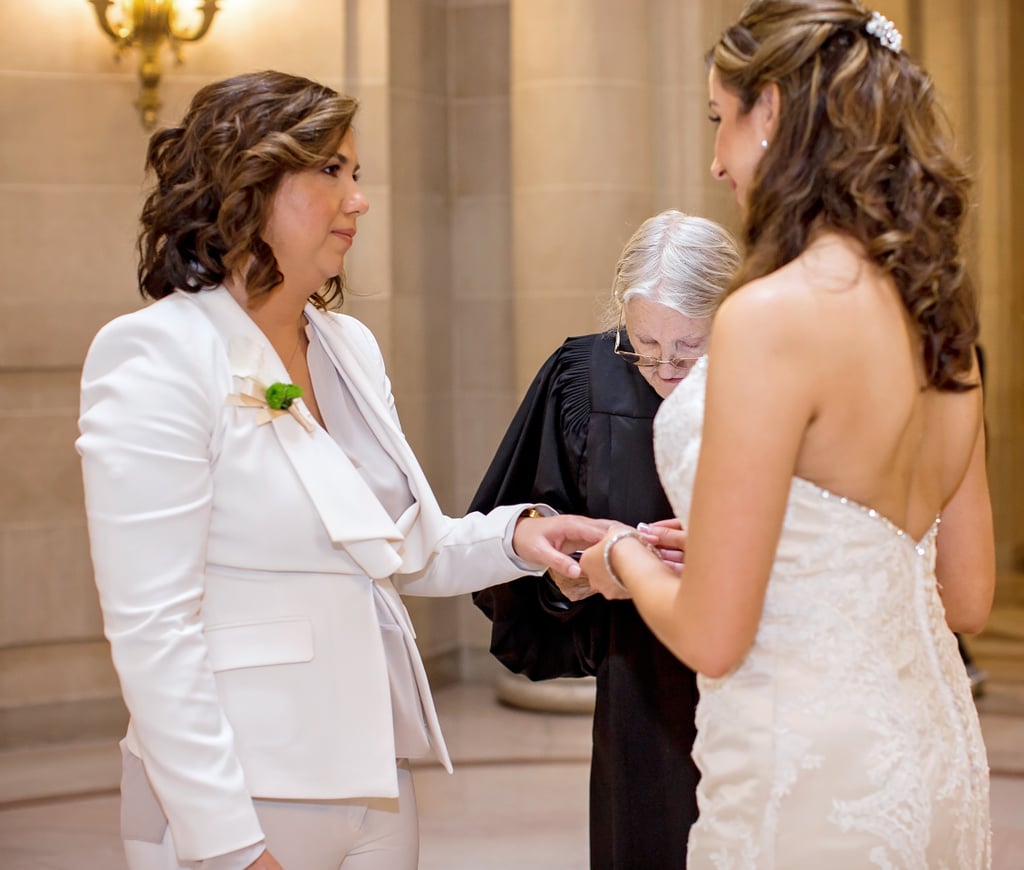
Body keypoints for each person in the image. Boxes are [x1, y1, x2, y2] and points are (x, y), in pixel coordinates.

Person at [75, 70, 608, 870]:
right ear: (247, 182)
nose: (358, 199)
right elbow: (153, 631)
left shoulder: (348, 347)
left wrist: (520, 536)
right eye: (331, 171)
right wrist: (227, 846)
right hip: (240, 788)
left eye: (356, 174)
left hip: (376, 778)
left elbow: (398, 549)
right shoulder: (156, 353)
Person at [580, 2, 995, 867]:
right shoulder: (940, 322)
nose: (715, 157)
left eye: (719, 120)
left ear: (768, 111)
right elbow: (965, 597)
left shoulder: (770, 316)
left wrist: (621, 559)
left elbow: (711, 637)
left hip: (807, 773)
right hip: (933, 756)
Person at [470, 210, 740, 869]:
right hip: (642, 685)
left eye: (688, 348)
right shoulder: (585, 377)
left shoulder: (772, 379)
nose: (664, 368)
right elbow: (520, 527)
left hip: (753, 675)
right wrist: (569, 576)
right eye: (644, 345)